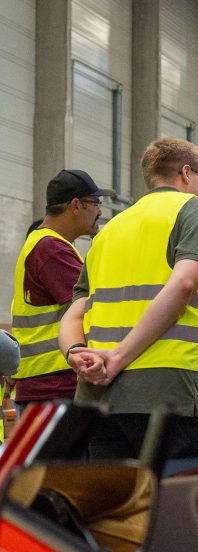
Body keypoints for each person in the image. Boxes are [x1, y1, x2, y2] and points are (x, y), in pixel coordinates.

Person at [59, 138, 198, 459]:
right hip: (168, 389)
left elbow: (74, 314)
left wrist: (75, 353)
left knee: (117, 506)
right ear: (186, 173)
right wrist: (119, 357)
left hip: (98, 397)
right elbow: (185, 284)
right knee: (185, 502)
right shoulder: (195, 210)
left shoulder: (110, 229)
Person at [10, 170, 111, 410]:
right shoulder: (52, 249)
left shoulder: (43, 244)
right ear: (76, 205)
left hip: (44, 386)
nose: (100, 212)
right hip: (54, 387)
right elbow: (90, 308)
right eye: (95, 204)